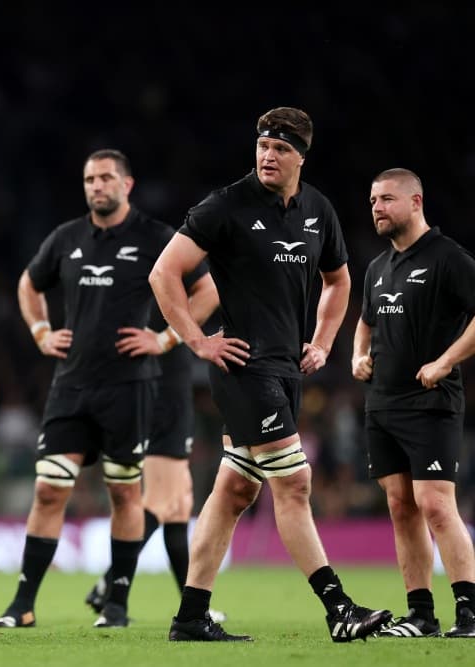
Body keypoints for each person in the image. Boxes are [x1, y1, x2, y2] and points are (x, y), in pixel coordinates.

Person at [149, 107, 391, 642]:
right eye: (262, 145)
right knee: (295, 482)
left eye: (280, 149)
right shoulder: (226, 206)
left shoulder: (317, 211)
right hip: (243, 367)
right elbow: (163, 272)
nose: (267, 155)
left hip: (285, 369)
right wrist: (196, 340)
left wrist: (324, 341)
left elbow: (339, 281)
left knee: (234, 489)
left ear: (301, 156)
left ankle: (190, 617)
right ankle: (339, 608)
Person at [0, 149, 214, 630]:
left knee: (124, 496)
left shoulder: (157, 237)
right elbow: (29, 285)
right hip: (70, 386)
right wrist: (41, 331)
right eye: (90, 178)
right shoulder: (66, 237)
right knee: (49, 490)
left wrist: (167, 337)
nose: (97, 186)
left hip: (130, 388)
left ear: (127, 185)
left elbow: (208, 289)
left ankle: (116, 606)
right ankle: (22, 605)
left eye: (107, 178)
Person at [352, 168, 475, 639]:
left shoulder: (448, 258)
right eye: (372, 200)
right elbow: (364, 321)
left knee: (436, 505)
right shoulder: (379, 267)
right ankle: (421, 615)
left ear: (415, 201)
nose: (376, 208)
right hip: (382, 404)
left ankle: (468, 611)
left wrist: (445, 361)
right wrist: (358, 355)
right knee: (401, 506)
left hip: (431, 402)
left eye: (385, 199)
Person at [83, 271, 225, 623]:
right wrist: (165, 340)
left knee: (178, 507)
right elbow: (211, 289)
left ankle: (192, 606)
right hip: (160, 388)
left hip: (151, 384)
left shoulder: (122, 261)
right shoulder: (167, 254)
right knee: (162, 502)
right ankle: (112, 589)